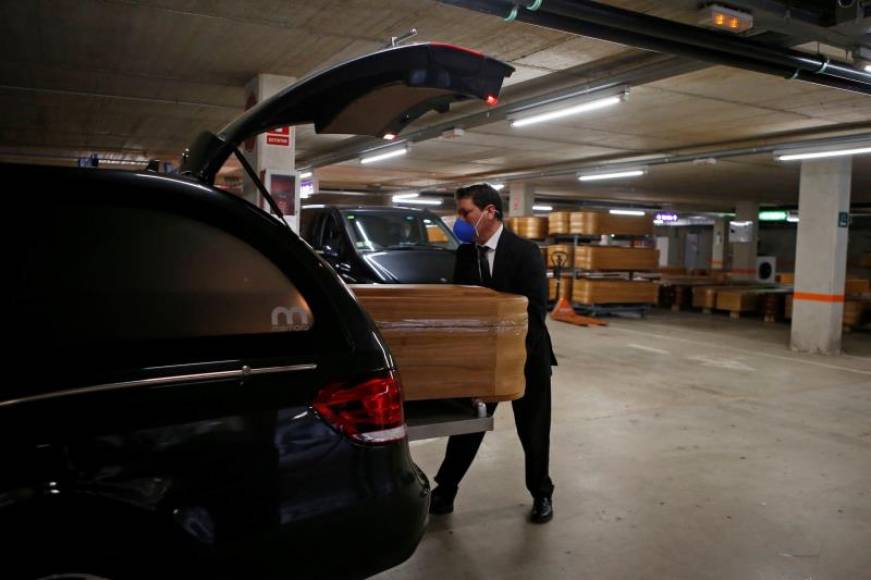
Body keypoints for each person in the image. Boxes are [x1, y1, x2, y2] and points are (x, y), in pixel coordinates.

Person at [430, 183, 557, 524]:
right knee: (468, 425)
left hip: (526, 357)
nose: (460, 220)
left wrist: (508, 353)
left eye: (465, 212)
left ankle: (541, 494)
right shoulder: (465, 253)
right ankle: (445, 490)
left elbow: (535, 311)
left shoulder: (525, 251)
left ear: (489, 212)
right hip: (483, 360)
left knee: (533, 430)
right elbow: (462, 306)